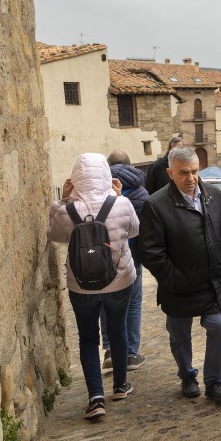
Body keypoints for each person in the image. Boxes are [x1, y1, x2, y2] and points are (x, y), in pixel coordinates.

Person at [139, 146, 221, 403]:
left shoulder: (213, 196)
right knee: (179, 333)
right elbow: (151, 252)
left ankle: (215, 381)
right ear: (170, 173)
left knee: (219, 326)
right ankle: (187, 375)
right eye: (184, 173)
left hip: (212, 282)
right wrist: (173, 279)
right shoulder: (156, 205)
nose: (191, 178)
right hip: (178, 286)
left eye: (194, 171)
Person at [48, 153, 140, 419]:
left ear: (75, 178)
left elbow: (54, 235)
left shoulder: (67, 211)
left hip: (82, 287)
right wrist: (120, 196)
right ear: (105, 175)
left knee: (88, 339)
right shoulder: (121, 203)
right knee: (118, 331)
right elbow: (134, 230)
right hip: (119, 282)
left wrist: (63, 201)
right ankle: (121, 386)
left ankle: (96, 398)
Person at [99, 150, 150, 372]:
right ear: (130, 166)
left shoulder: (99, 190)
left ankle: (110, 349)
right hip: (132, 258)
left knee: (105, 303)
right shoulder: (142, 194)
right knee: (133, 303)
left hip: (103, 258)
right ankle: (130, 352)